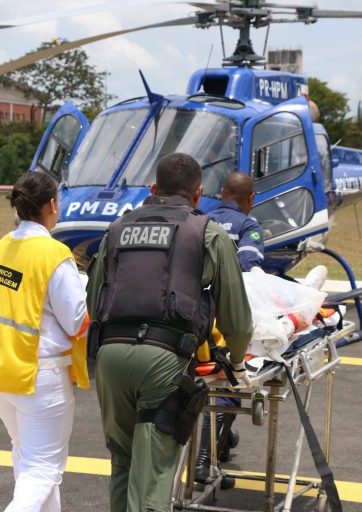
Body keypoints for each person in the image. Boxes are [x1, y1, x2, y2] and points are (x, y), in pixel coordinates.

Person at [86, 153, 253, 512]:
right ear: (198, 194)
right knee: (155, 477)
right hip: (164, 361)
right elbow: (237, 321)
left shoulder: (116, 230)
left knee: (123, 463)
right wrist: (236, 363)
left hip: (110, 358)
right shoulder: (208, 232)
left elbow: (93, 300)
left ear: (152, 188)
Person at [0, 171, 88, 512]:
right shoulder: (54, 254)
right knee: (43, 470)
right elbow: (77, 322)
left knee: (29, 462)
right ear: (52, 204)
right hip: (40, 378)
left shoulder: (4, 245)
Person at [195, 171, 265, 486]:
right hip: (223, 324)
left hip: (193, 319)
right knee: (228, 389)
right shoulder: (248, 226)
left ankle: (222, 445)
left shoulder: (201, 222)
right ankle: (204, 462)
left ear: (222, 192)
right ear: (250, 199)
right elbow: (251, 274)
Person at [208, 171, 264, 272]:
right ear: (251, 197)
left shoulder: (203, 220)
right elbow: (248, 263)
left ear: (222, 192)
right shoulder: (250, 226)